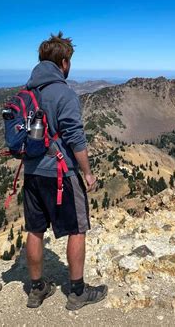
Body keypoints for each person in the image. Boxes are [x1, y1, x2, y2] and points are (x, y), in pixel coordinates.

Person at [22, 32, 106, 310]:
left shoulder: (27, 91)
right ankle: (78, 292)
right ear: (65, 62)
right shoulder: (64, 92)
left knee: (35, 231)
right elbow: (75, 137)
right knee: (77, 229)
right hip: (60, 173)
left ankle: (36, 289)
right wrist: (88, 172)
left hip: (31, 173)